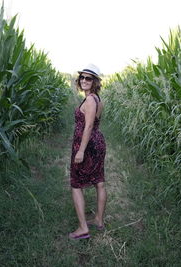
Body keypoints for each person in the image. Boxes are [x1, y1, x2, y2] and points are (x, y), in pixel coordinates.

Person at [69, 64, 107, 240]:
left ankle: (83, 227)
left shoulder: (90, 100)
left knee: (76, 185)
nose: (84, 80)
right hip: (97, 142)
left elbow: (89, 126)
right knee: (99, 181)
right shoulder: (97, 99)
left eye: (88, 78)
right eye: (82, 77)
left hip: (88, 145)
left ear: (95, 81)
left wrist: (81, 151)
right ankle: (98, 220)